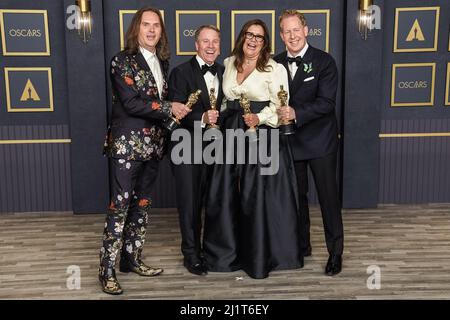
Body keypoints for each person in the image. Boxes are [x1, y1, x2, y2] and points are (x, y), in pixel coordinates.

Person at [100, 7, 191, 295]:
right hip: (127, 146)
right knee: (120, 208)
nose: (151, 30)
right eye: (146, 25)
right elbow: (132, 103)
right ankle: (107, 270)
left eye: (156, 26)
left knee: (142, 207)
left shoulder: (163, 62)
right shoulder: (121, 61)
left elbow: (156, 105)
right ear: (136, 29)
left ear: (162, 32)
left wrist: (175, 117)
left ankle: (132, 259)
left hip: (153, 147)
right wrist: (170, 108)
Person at [204, 19, 304, 279]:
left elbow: (282, 105)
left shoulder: (275, 68)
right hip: (231, 134)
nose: (253, 40)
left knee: (254, 196)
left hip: (262, 135)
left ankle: (258, 257)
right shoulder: (228, 63)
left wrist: (259, 119)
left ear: (265, 42)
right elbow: (225, 100)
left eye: (259, 37)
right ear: (242, 37)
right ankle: (226, 255)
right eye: (249, 34)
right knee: (226, 193)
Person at [274, 10, 344, 276]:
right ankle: (302, 246)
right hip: (291, 142)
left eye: (296, 30)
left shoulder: (324, 61)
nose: (292, 36)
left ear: (306, 31)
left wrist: (296, 113)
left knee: (328, 199)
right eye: (286, 31)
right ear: (281, 35)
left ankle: (335, 253)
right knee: (297, 198)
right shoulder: (275, 63)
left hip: (321, 142)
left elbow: (326, 104)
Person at [168, 25, 224, 276]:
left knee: (214, 201)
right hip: (186, 147)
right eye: (205, 41)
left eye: (215, 42)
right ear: (196, 45)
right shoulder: (180, 73)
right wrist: (203, 118)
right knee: (190, 204)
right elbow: (176, 110)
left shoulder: (227, 71)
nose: (211, 46)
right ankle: (191, 255)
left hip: (220, 149)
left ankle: (212, 250)